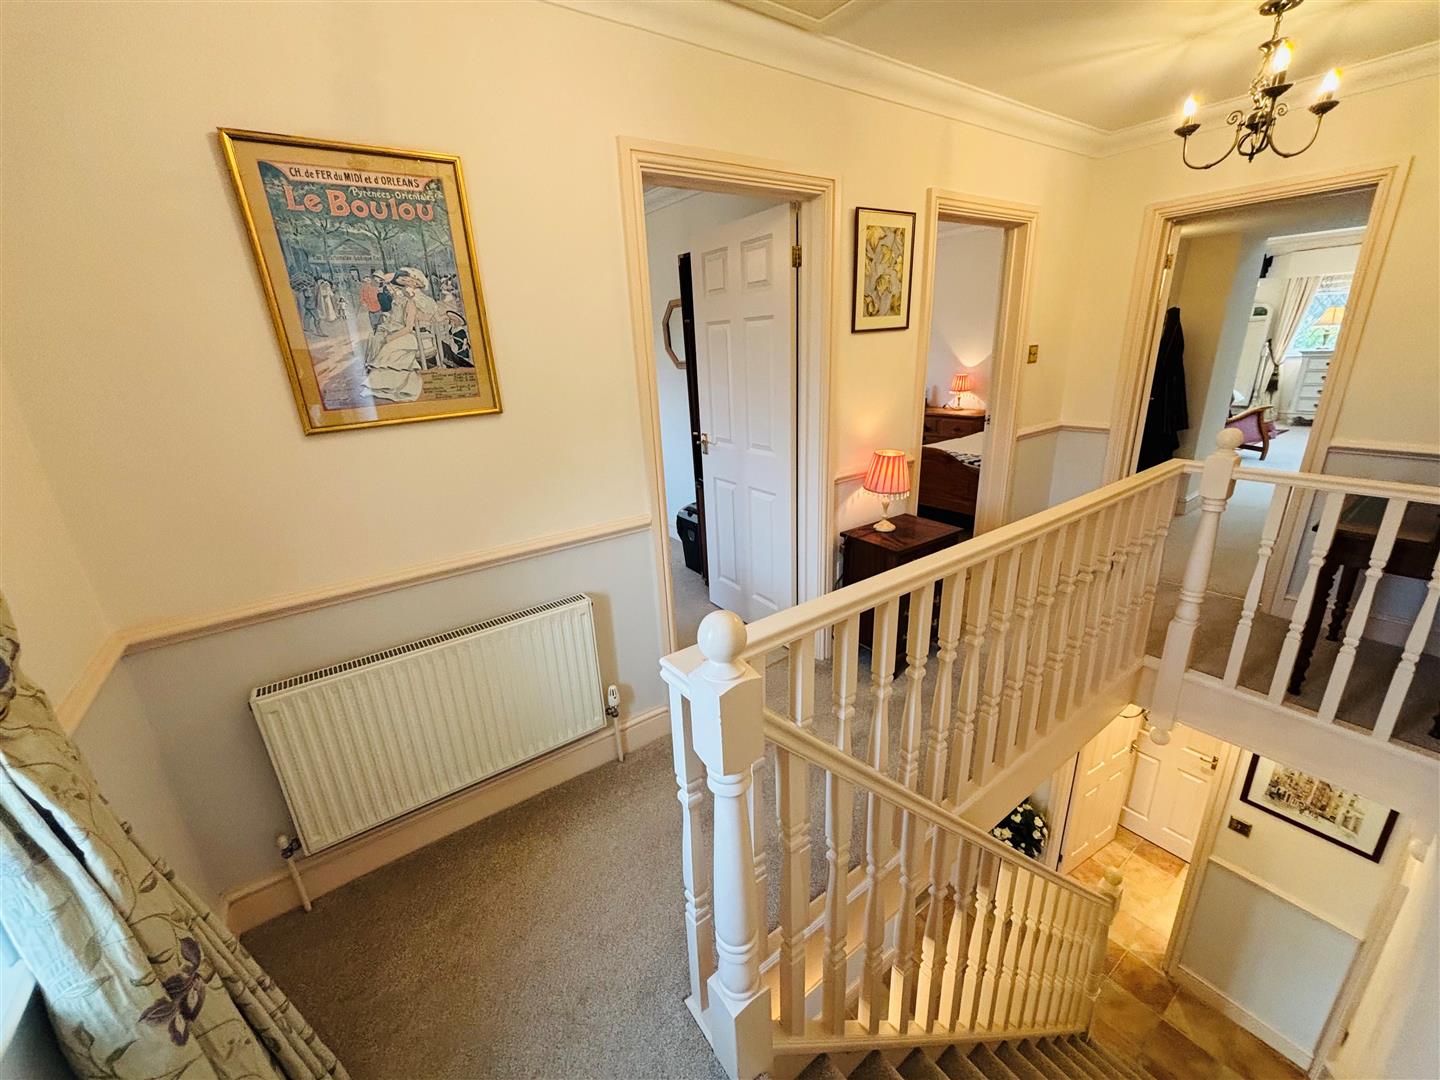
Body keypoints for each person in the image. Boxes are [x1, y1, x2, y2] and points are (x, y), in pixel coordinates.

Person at [364, 267, 440, 403]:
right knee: (378, 340)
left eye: (408, 281)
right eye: (401, 281)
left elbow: (414, 324)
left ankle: (393, 386)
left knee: (389, 348)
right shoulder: (403, 298)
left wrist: (391, 336)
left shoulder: (415, 299)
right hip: (406, 331)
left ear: (416, 283)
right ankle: (383, 384)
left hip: (416, 335)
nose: (404, 283)